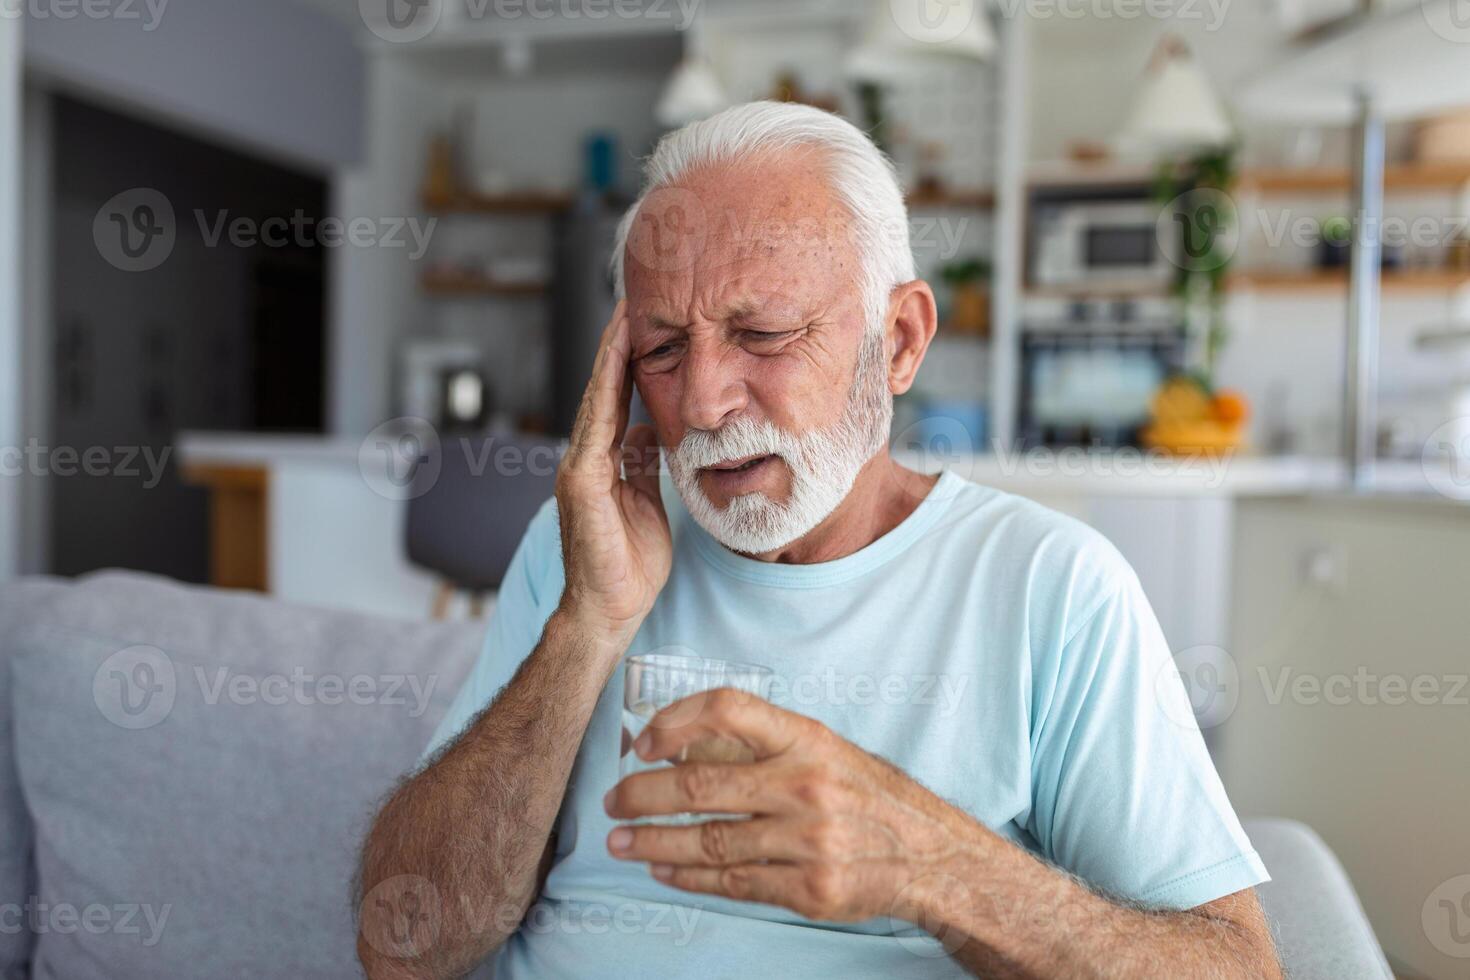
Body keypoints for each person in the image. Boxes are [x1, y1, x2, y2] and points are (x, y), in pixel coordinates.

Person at [355, 101, 1279, 980]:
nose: (706, 401)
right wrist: (586, 624)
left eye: (762, 334)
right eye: (664, 351)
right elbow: (403, 943)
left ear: (902, 340)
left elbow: (1233, 966)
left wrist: (931, 866)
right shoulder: (585, 549)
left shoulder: (1052, 587)